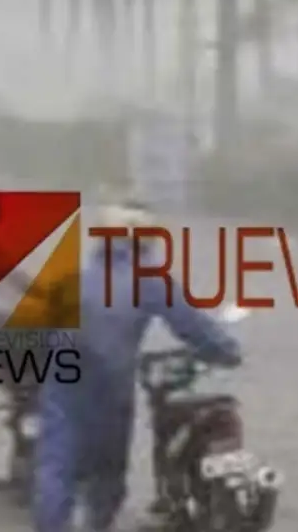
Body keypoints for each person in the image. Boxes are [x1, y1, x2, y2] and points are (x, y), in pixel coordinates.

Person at [32, 202, 241, 532]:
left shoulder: (69, 273)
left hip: (62, 378)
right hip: (111, 383)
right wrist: (226, 351)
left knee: (57, 466)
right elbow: (192, 325)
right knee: (107, 470)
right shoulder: (151, 280)